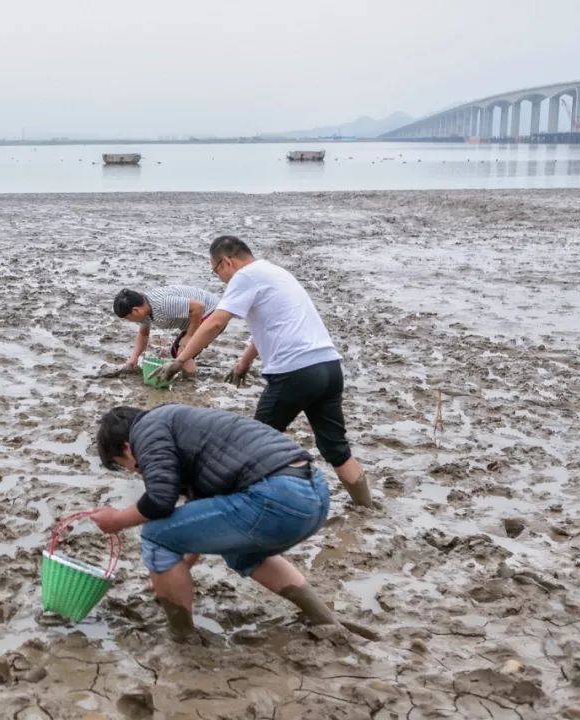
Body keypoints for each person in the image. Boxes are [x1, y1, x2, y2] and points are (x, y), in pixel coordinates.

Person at [152, 235, 373, 507]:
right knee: (336, 449)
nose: (220, 279)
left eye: (216, 272)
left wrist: (179, 360)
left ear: (227, 262)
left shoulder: (244, 277)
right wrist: (244, 362)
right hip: (328, 367)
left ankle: (242, 506)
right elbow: (271, 325)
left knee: (251, 443)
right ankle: (366, 508)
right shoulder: (276, 272)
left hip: (295, 372)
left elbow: (216, 322)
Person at [89, 404, 339, 639]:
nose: (137, 471)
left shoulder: (147, 430)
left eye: (126, 466)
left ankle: (182, 638)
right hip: (313, 496)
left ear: (125, 447)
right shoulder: (180, 424)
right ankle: (325, 620)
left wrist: (117, 519)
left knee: (155, 534)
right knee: (241, 553)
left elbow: (160, 501)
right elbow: (199, 520)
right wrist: (180, 568)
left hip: (276, 498)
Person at [100, 286, 220, 378]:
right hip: (198, 317)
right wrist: (134, 357)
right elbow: (143, 335)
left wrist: (190, 336)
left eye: (128, 318)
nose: (129, 321)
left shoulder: (162, 304)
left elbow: (198, 307)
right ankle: (188, 377)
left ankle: (190, 381)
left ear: (135, 310)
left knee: (183, 351)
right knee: (176, 352)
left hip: (213, 313)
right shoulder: (146, 310)